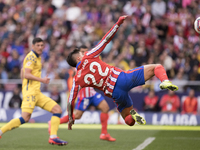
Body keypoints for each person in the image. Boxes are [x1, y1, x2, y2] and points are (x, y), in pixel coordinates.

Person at [66, 16, 178, 129]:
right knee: (156, 67)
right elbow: (105, 40)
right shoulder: (89, 56)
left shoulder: (77, 79)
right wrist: (118, 24)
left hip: (114, 93)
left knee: (128, 121)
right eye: (81, 54)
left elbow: (71, 100)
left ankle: (132, 116)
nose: (83, 54)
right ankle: (165, 81)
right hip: (121, 78)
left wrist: (70, 118)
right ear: (78, 59)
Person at [0, 38, 67, 146]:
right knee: (25, 118)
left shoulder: (38, 57)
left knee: (57, 110)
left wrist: (24, 84)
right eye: (38, 45)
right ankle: (1, 131)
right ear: (33, 46)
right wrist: (41, 81)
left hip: (37, 93)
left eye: (42, 45)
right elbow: (26, 74)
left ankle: (53, 137)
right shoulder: (31, 57)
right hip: (31, 93)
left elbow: (23, 70)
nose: (40, 47)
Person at [48, 45, 116, 141]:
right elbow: (75, 76)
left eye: (86, 51)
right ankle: (53, 123)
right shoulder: (78, 66)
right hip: (84, 96)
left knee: (105, 108)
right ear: (79, 55)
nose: (85, 53)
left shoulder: (89, 60)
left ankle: (104, 133)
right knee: (78, 116)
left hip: (92, 93)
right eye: (83, 52)